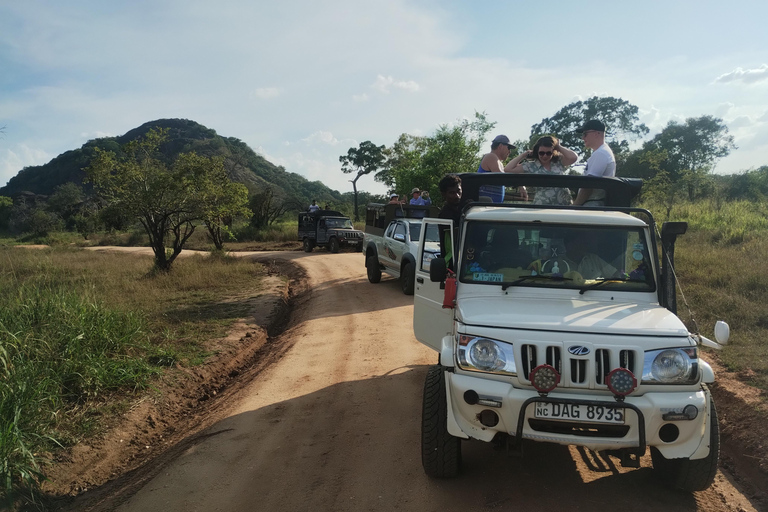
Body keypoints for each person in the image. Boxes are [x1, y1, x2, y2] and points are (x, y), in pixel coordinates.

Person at [505, 135, 578, 205]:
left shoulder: (559, 161)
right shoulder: (531, 165)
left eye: (548, 153)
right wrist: (524, 155)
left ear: (553, 152)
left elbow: (573, 158)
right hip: (542, 205)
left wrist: (558, 146)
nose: (545, 156)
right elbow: (508, 169)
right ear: (537, 152)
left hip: (564, 205)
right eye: (541, 153)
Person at [573, 120, 616, 206]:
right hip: (594, 203)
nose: (583, 138)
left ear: (596, 134)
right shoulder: (602, 151)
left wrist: (575, 206)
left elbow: (589, 186)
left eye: (585, 134)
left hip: (592, 204)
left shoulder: (601, 153)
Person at [477, 135, 527, 203]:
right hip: (485, 207)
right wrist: (520, 184)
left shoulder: (498, 162)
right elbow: (503, 178)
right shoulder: (491, 156)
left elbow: (508, 172)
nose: (510, 152)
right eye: (508, 148)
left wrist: (523, 156)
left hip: (491, 207)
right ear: (500, 146)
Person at [437, 174, 464, 270]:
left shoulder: (466, 206)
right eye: (452, 193)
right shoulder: (445, 214)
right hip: (453, 264)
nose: (457, 196)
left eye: (458, 191)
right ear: (444, 194)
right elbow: (456, 240)